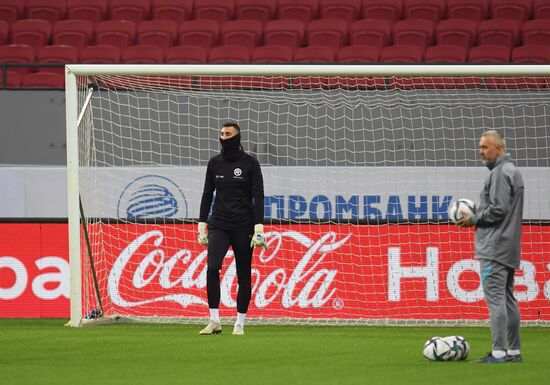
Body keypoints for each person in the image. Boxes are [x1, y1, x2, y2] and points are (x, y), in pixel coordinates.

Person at [456, 130, 524, 363]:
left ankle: (497, 352)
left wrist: (472, 219)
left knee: (496, 300)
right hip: (510, 245)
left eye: (485, 147)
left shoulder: (498, 173)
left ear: (499, 149)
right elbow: (504, 209)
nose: (481, 151)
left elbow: (498, 209)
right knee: (507, 298)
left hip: (494, 246)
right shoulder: (514, 172)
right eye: (480, 147)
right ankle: (514, 351)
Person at [197, 121, 267, 336]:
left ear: (237, 137)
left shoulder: (250, 164)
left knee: (243, 275)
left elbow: (258, 195)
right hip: (219, 224)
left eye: (228, 133)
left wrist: (259, 227)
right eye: (221, 133)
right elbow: (207, 194)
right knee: (212, 268)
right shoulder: (214, 163)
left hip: (243, 225)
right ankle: (214, 320)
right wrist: (202, 225)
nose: (223, 136)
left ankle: (240, 323)